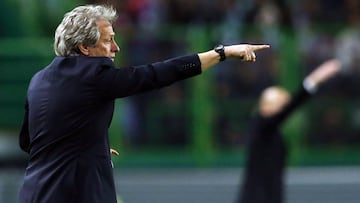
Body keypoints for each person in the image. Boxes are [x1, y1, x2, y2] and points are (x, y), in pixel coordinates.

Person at [17, 4, 269, 203]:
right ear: (85, 47)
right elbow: (157, 74)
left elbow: (29, 141)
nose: (115, 48)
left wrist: (87, 146)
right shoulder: (95, 76)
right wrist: (221, 53)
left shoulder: (39, 79)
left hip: (33, 193)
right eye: (108, 40)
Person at [236, 58, 341, 203]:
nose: (282, 108)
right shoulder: (261, 126)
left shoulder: (271, 132)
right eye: (280, 104)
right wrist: (314, 80)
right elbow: (290, 108)